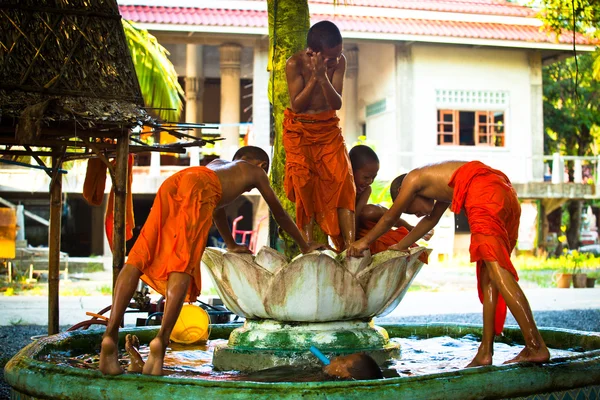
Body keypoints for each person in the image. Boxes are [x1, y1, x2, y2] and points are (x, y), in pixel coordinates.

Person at [99, 146, 324, 376]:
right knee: (182, 263)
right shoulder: (256, 172)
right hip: (199, 189)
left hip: (176, 180)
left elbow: (217, 211)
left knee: (139, 255)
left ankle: (110, 334)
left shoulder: (218, 165)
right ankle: (161, 342)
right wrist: (305, 245)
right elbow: (279, 213)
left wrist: (230, 243)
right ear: (261, 166)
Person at [347, 161, 550, 366]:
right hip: (503, 192)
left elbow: (391, 217)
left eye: (410, 208)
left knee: (499, 273)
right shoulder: (443, 185)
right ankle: (485, 352)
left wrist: (364, 241)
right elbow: (431, 220)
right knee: (489, 278)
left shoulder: (413, 178)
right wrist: (400, 246)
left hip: (484, 194)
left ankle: (535, 345)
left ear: (402, 192)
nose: (417, 215)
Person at [284, 20, 355, 251]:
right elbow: (297, 106)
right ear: (312, 53)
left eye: (338, 55)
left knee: (342, 180)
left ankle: (350, 244)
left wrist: (324, 76)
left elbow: (336, 103)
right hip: (301, 130)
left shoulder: (339, 61)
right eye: (329, 58)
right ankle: (307, 242)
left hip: (327, 128)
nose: (335, 61)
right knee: (303, 183)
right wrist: (315, 77)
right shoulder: (294, 63)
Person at [349, 145, 431, 260]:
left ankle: (409, 228)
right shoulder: (344, 187)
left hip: (360, 227)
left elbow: (357, 215)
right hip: (348, 230)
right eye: (366, 177)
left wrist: (357, 242)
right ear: (350, 170)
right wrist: (349, 244)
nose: (370, 182)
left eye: (373, 177)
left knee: (369, 211)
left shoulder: (366, 190)